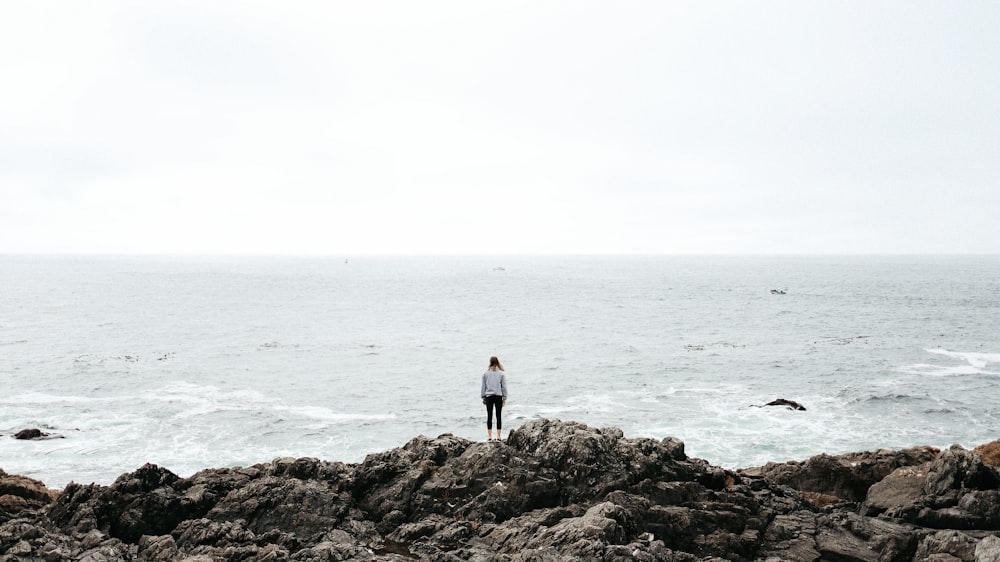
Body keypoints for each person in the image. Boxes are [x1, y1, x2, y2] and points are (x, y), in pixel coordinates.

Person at [481, 356, 508, 441]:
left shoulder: (485, 374)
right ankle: (499, 436)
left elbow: (483, 387)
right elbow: (504, 387)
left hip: (489, 397)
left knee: (489, 416)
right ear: (497, 363)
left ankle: (489, 436)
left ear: (490, 362)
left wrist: (483, 397)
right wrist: (504, 398)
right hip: (498, 397)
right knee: (498, 416)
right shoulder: (501, 374)